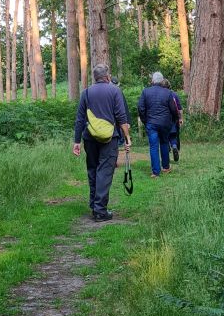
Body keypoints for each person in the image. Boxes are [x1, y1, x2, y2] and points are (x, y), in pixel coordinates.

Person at [73, 64, 132, 220]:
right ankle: (100, 210)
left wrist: (76, 142)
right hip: (109, 138)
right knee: (105, 171)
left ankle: (94, 205)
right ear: (107, 76)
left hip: (89, 138)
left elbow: (80, 118)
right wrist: (127, 138)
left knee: (93, 170)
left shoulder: (85, 93)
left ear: (95, 77)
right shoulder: (115, 91)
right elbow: (121, 117)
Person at [137, 71, 180, 178]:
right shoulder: (168, 92)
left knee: (153, 146)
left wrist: (145, 120)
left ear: (152, 81)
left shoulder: (145, 92)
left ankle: (155, 172)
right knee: (164, 143)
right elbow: (174, 109)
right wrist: (174, 120)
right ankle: (165, 167)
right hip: (165, 124)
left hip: (151, 123)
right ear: (162, 81)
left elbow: (140, 108)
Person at [168, 86, 184, 163]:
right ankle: (174, 146)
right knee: (173, 135)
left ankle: (167, 149)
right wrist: (181, 119)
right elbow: (180, 109)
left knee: (164, 136)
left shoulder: (160, 94)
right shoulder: (174, 94)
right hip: (173, 119)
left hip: (163, 119)